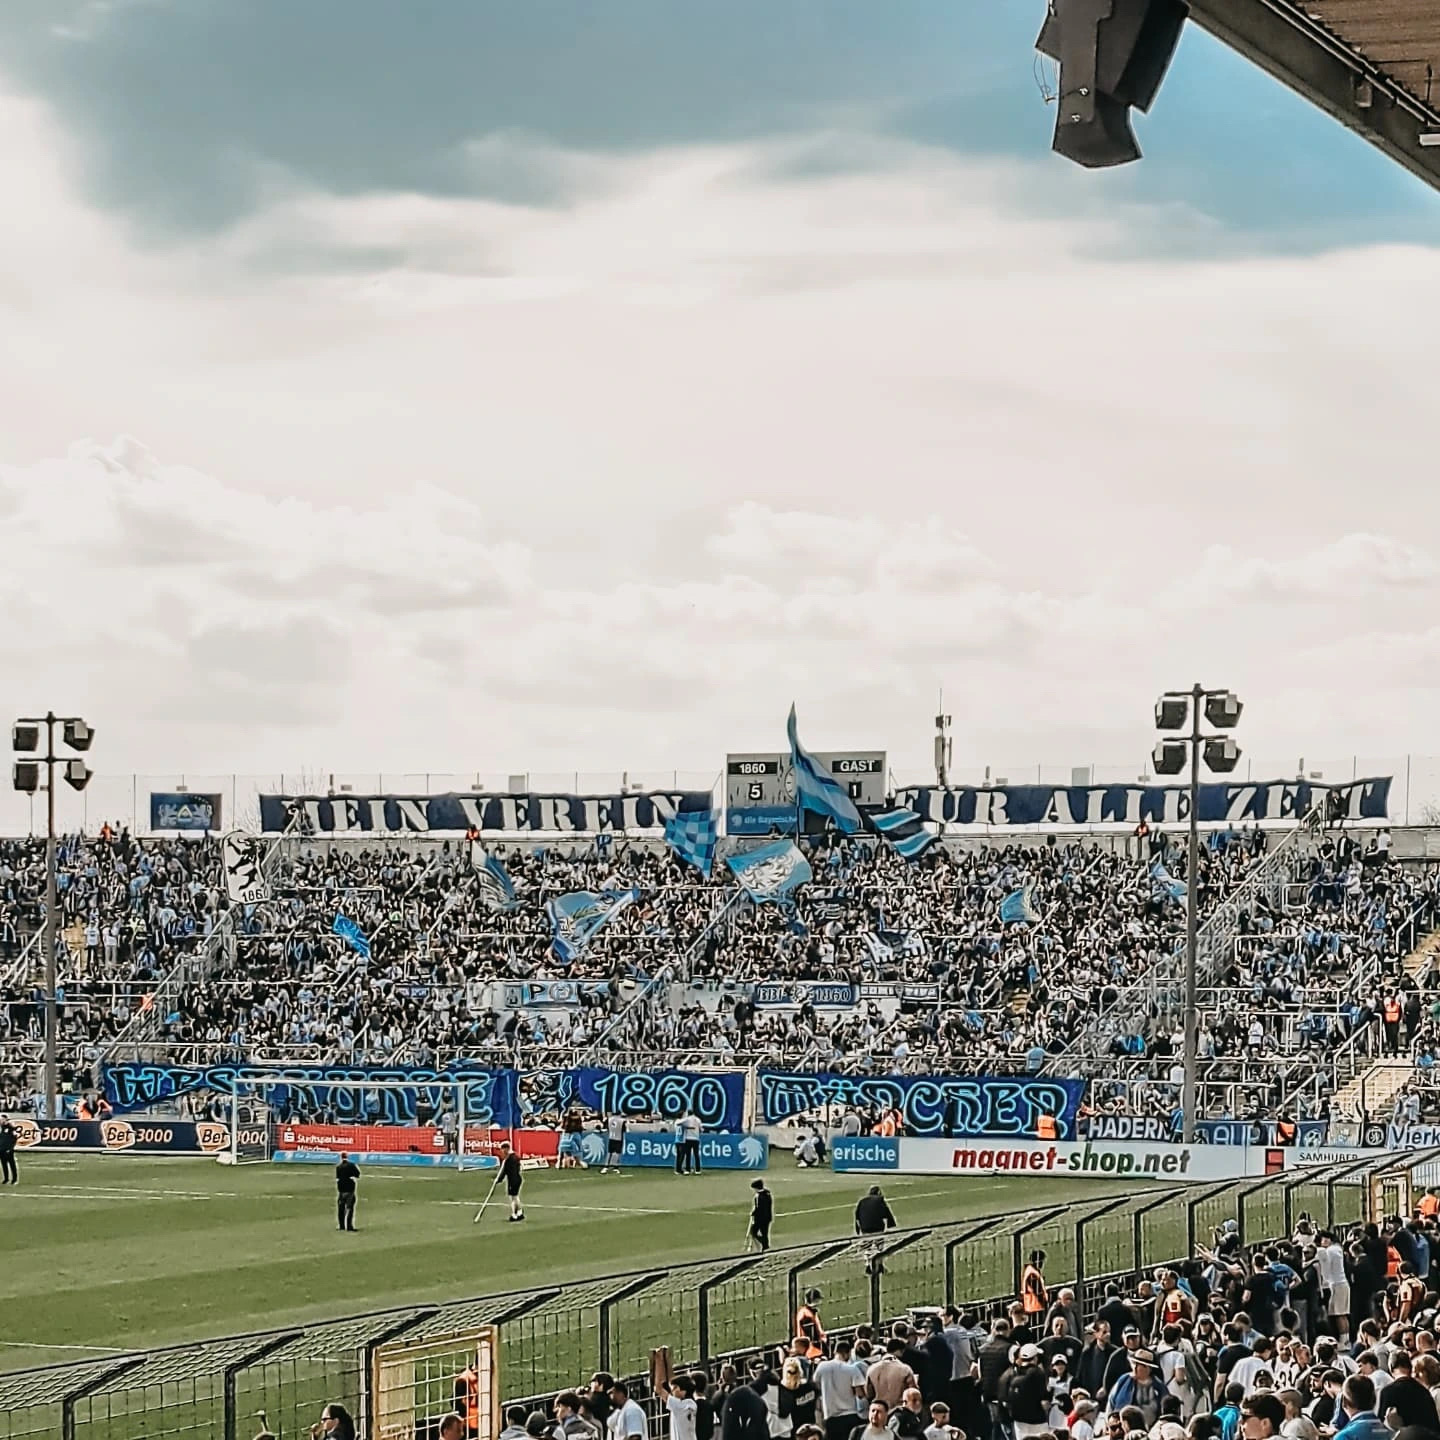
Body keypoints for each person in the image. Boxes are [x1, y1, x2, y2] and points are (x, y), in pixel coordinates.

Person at [499, 1142, 525, 1222]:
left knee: (513, 1198)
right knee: (515, 1197)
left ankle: (514, 1214)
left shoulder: (509, 1159)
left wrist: (499, 1180)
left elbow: (505, 1171)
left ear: (506, 1149)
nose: (502, 1151)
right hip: (517, 1178)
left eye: (503, 1149)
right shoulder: (515, 1157)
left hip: (513, 1180)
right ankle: (519, 1213)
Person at [334, 1152, 359, 1232]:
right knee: (350, 1208)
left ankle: (341, 1225)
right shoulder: (351, 1165)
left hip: (341, 1190)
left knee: (341, 1209)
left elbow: (337, 1178)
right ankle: (349, 1226)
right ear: (347, 1156)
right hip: (350, 1189)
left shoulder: (338, 1167)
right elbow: (357, 1174)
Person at [750, 1179, 774, 1252]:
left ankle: (765, 1245)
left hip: (760, 1218)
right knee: (765, 1233)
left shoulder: (759, 1196)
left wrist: (753, 1212)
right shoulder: (767, 1193)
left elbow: (759, 1208)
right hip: (768, 1217)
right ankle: (765, 1247)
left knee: (754, 1232)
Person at [0, 1116, 17, 1186]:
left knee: (11, 1164)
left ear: (5, 1119)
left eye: (1, 1119)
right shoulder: (2, 1128)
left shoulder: (10, 1128)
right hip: (1, 1149)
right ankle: (6, 1179)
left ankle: (14, 1179)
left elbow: (14, 1138)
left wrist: (10, 1148)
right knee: (4, 1164)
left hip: (8, 1149)